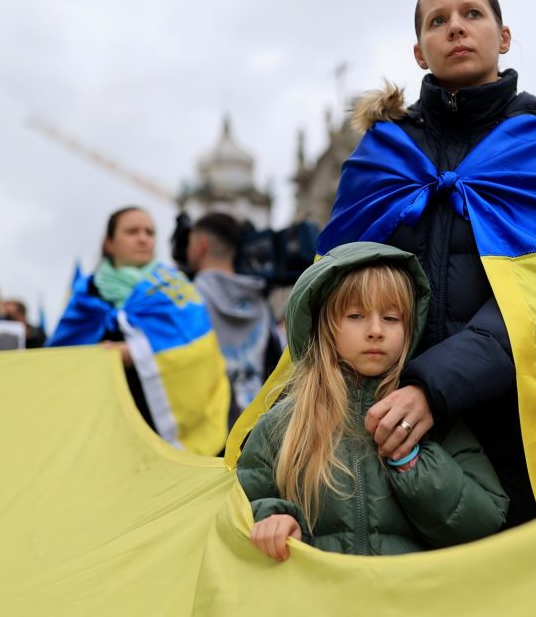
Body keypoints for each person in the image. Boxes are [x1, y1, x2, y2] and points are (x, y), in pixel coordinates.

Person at [230, 0, 536, 527]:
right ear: (419, 51)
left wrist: (433, 388)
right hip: (378, 420)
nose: (456, 27)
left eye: (472, 14)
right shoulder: (383, 151)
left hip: (515, 423)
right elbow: (334, 291)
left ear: (503, 36)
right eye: (437, 21)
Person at [237, 242, 508, 559]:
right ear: (324, 326)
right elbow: (241, 508)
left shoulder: (432, 419)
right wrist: (273, 518)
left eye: (392, 318)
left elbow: (485, 520)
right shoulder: (283, 424)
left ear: (410, 328)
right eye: (356, 315)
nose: (376, 330)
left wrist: (412, 462)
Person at [49, 206, 230, 456]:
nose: (143, 238)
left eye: (150, 232)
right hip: (100, 429)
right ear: (109, 243)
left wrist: (136, 352)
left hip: (158, 431)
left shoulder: (175, 288)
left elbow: (201, 350)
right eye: (132, 232)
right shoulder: (85, 294)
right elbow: (59, 358)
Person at [186, 212, 283, 427]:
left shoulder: (189, 298)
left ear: (201, 246)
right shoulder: (260, 301)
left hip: (208, 425)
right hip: (256, 424)